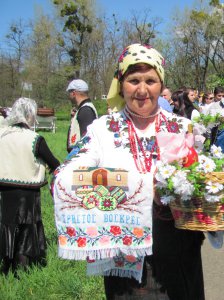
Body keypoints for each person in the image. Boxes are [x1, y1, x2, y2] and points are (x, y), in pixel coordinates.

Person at [52, 44, 205, 300]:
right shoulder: (102, 130)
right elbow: (64, 176)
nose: (142, 90)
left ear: (161, 84)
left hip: (178, 247)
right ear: (121, 85)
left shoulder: (183, 127)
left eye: (151, 80)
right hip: (124, 255)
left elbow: (200, 178)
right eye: (134, 80)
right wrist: (146, 186)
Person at [0, 97, 60, 275]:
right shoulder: (35, 139)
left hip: (4, 189)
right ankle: (23, 265)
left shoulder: (2, 135)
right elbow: (54, 162)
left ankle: (6, 264)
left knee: (7, 224)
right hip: (27, 190)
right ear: (29, 115)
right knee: (27, 226)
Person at [66, 79, 98, 152]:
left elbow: (88, 140)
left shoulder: (85, 111)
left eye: (69, 93)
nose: (69, 95)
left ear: (74, 93)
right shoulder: (83, 109)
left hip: (82, 158)